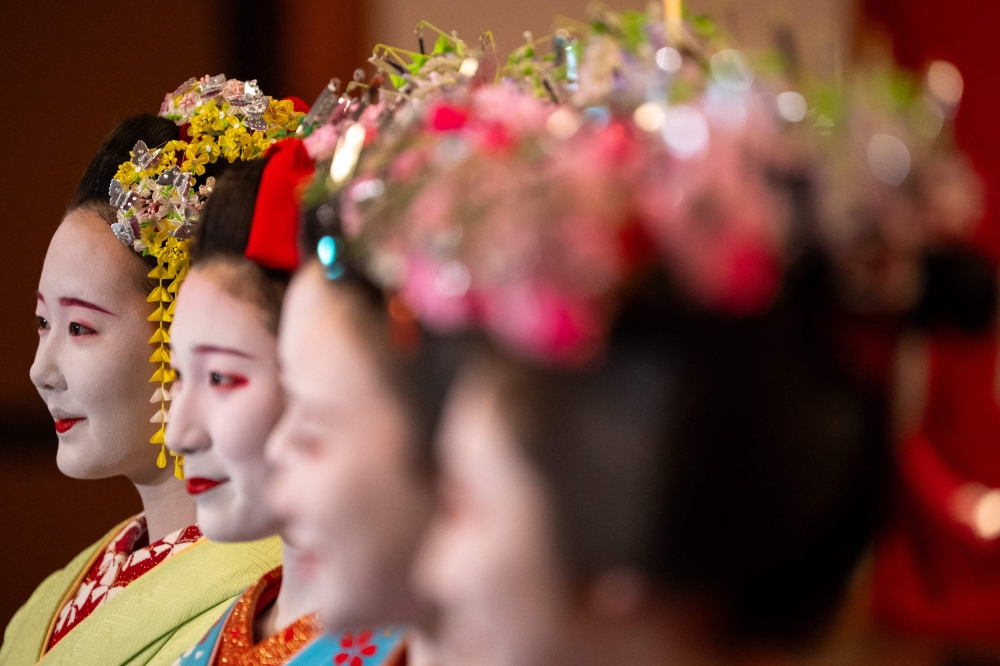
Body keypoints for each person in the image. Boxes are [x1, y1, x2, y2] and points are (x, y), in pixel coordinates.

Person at [2, 74, 299, 666]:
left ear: (181, 327)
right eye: (42, 323)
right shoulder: (55, 598)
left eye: (80, 328)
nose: (42, 370)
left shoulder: (272, 600)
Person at [167, 138, 405, 666]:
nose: (178, 433)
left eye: (223, 377)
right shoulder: (219, 633)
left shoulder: (414, 646)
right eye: (179, 375)